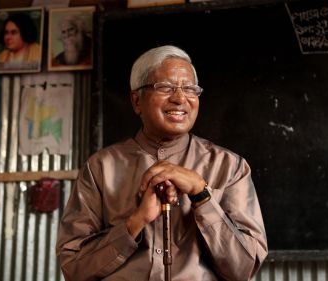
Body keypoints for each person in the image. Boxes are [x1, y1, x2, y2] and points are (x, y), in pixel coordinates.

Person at [57, 45, 268, 280]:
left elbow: (244, 269)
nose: (180, 98)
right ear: (137, 101)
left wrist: (202, 194)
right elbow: (73, 267)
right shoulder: (100, 168)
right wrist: (135, 222)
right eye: (165, 87)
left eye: (189, 88)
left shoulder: (230, 167)